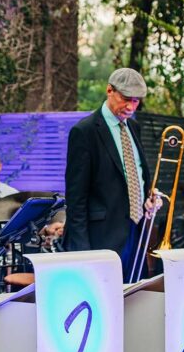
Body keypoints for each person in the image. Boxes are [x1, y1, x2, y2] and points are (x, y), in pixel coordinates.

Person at [64, 67, 160, 280]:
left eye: (136, 101)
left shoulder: (134, 128)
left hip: (135, 234)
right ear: (109, 90)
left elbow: (135, 174)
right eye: (126, 99)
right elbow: (76, 198)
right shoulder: (84, 131)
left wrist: (148, 198)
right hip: (100, 240)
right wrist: (82, 253)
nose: (130, 106)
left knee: (133, 302)